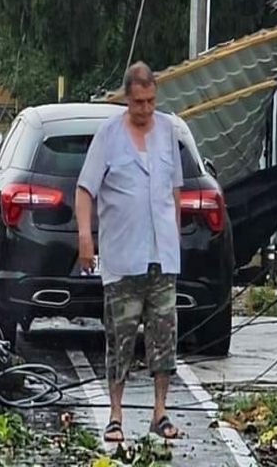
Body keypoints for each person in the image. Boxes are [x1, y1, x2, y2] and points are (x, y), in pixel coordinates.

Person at [75, 62, 183, 443]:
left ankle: (159, 412)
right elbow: (85, 190)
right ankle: (116, 414)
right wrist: (86, 238)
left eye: (151, 101)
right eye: (139, 102)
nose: (146, 109)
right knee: (120, 338)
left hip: (161, 257)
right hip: (122, 259)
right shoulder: (108, 136)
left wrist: (175, 237)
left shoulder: (169, 130)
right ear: (126, 99)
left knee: (163, 337)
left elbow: (174, 190)